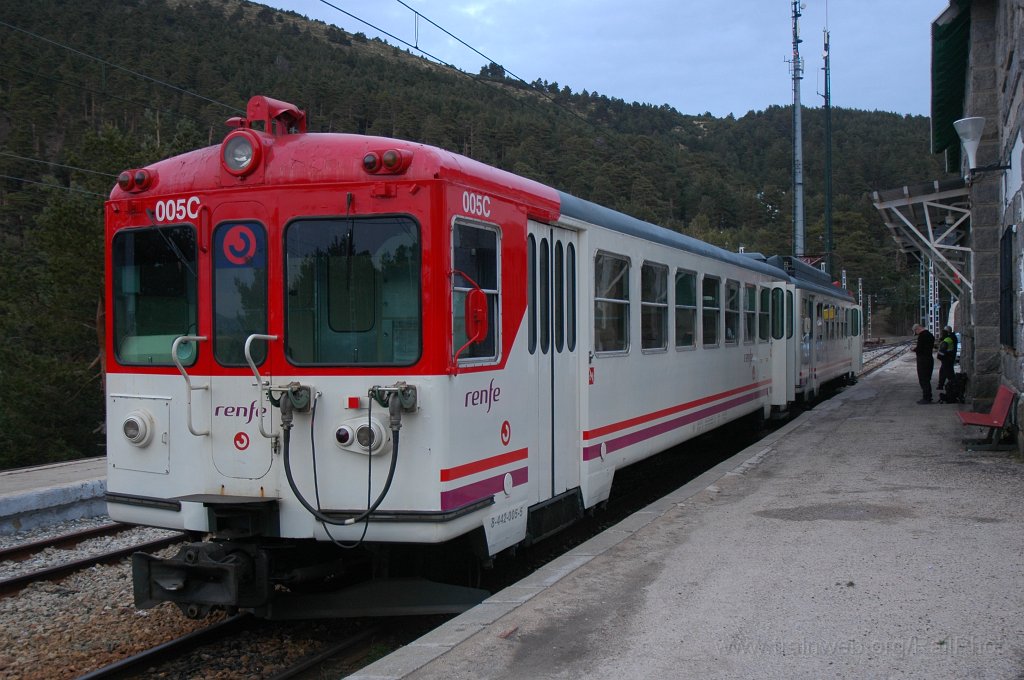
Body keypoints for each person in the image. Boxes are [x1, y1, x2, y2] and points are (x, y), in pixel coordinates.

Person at [911, 323, 935, 404]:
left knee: (923, 379)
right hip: (929, 359)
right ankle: (928, 396)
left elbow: (920, 349)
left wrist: (914, 349)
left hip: (923, 360)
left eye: (916, 332)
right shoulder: (930, 335)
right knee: (927, 379)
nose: (916, 334)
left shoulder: (922, 336)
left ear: (917, 329)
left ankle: (926, 398)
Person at [936, 326, 957, 392]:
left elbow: (942, 350)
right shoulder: (952, 337)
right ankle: (940, 385)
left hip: (947, 359)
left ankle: (954, 386)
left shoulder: (948, 339)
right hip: (949, 358)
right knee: (943, 372)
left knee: (949, 374)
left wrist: (939, 355)